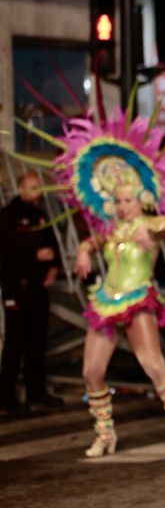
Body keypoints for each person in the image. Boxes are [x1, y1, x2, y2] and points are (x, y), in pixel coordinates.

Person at [16, 110, 165, 459]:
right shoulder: (113, 229)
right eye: (117, 202)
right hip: (106, 301)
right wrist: (84, 250)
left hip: (137, 299)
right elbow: (94, 243)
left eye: (128, 201)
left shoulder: (151, 225)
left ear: (140, 200)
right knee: (91, 372)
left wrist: (153, 227)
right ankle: (105, 434)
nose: (122, 207)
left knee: (153, 365)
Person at [0, 172, 62, 414]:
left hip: (39, 286)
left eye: (40, 188)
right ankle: (6, 396)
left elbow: (52, 243)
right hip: (17, 285)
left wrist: (54, 266)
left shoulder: (40, 215)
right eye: (34, 187)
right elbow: (6, 251)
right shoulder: (8, 216)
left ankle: (37, 391)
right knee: (15, 341)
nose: (38, 192)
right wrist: (34, 255)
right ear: (21, 189)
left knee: (38, 340)